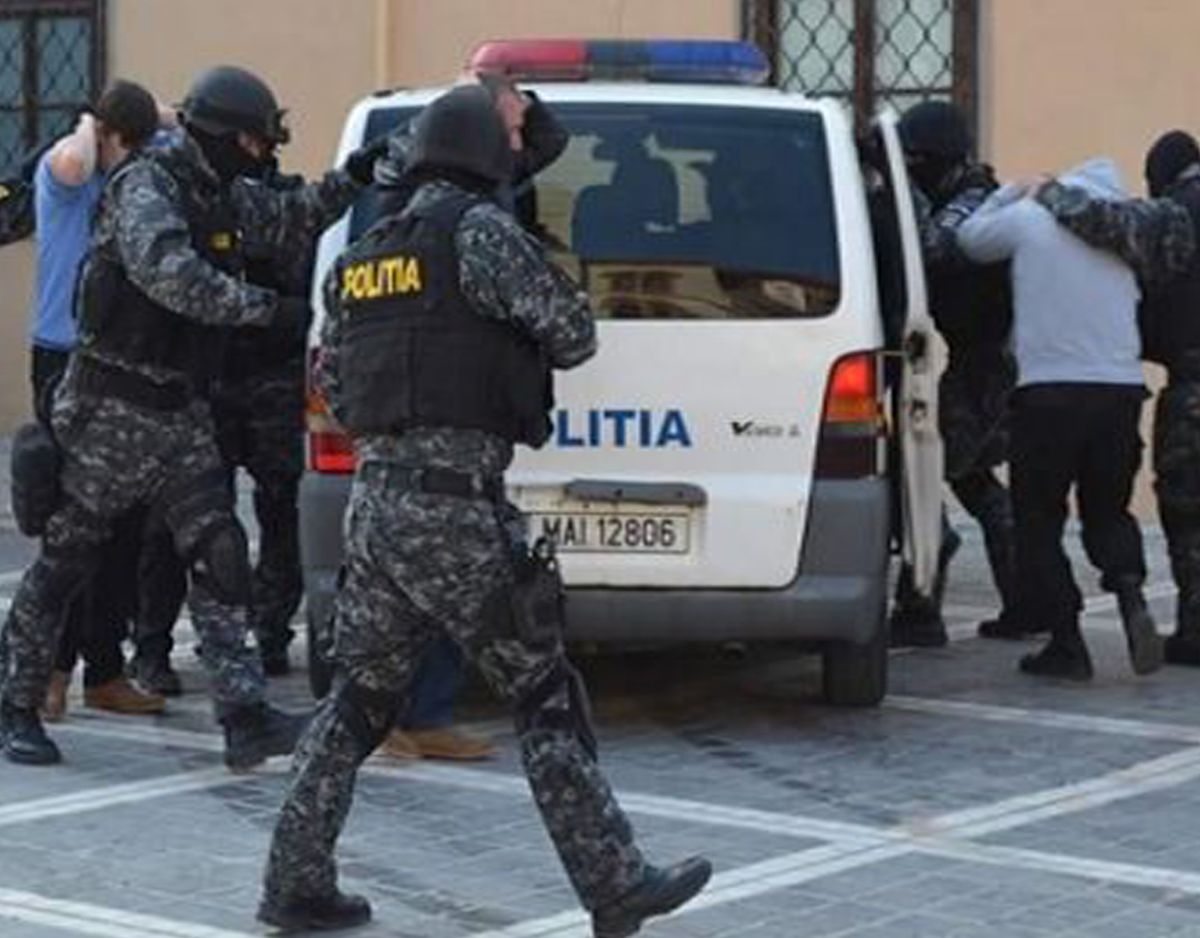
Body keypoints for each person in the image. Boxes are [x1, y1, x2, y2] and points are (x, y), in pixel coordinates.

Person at [259, 86, 711, 936]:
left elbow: (336, 387)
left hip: (376, 508)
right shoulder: (480, 232)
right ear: (483, 160)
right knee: (543, 692)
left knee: (358, 702)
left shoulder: (363, 257)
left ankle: (295, 880)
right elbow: (573, 333)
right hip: (457, 510)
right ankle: (614, 884)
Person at [0, 65, 384, 769]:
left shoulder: (219, 192)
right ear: (219, 135)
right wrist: (269, 311)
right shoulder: (147, 187)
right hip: (112, 410)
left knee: (218, 550)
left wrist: (356, 176)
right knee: (68, 558)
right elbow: (172, 277)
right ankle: (15, 703)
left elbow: (290, 216)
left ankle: (244, 717)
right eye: (252, 141)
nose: (259, 155)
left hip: (179, 413)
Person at [370, 70, 568, 762]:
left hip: (441, 438)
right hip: (433, 431)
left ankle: (410, 718)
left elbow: (551, 142)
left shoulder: (489, 188)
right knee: (450, 603)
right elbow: (571, 330)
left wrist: (517, 102)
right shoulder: (427, 205)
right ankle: (394, 720)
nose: (519, 143)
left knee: (422, 602)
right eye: (507, 129)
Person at [957, 158, 1164, 681]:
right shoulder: (1126, 234)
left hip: (1048, 393)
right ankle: (1129, 590)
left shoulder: (1032, 218)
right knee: (1109, 510)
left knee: (1038, 519)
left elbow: (969, 240)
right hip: (1120, 390)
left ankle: (1067, 642)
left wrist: (1012, 193)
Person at [27, 85, 168, 720]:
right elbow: (75, 161)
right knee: (74, 525)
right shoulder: (66, 175)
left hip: (120, 361)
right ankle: (48, 673)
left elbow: (177, 131)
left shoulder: (130, 185)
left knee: (126, 524)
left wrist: (146, 119)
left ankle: (104, 671)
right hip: (64, 360)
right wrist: (93, 122)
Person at [1034, 130, 1200, 666]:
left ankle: (1196, 631)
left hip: (1193, 387)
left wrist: (1048, 193)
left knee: (1188, 508)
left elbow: (1105, 221)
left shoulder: (1179, 211)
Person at [892, 101, 1022, 646]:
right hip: (980, 360)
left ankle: (922, 608)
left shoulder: (971, 199)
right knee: (973, 480)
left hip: (986, 363)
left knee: (921, 474)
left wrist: (903, 191)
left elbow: (934, 248)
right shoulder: (964, 193)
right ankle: (1025, 602)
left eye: (916, 162)